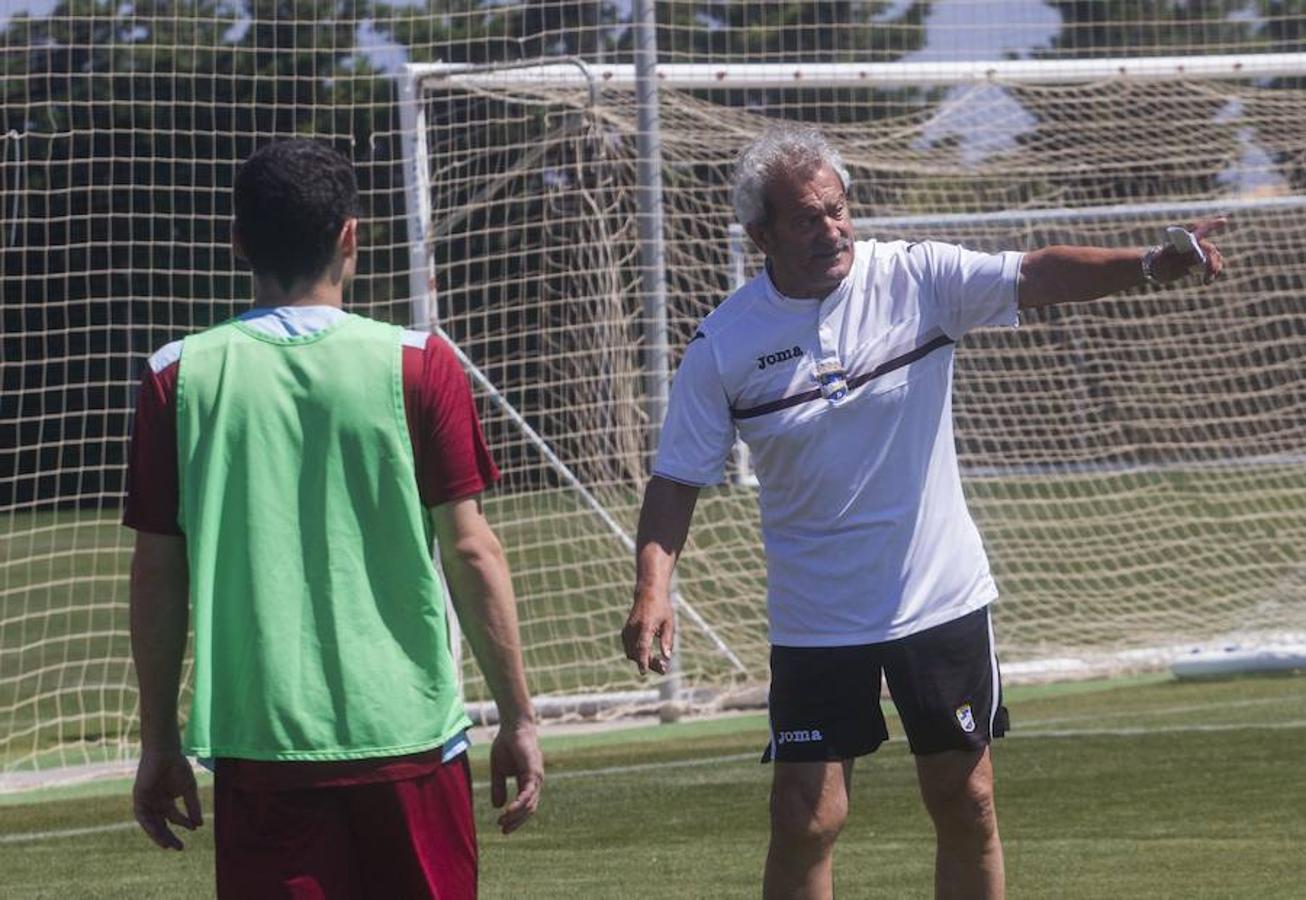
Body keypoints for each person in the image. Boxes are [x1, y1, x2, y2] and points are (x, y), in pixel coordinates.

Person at [622, 124, 1224, 899]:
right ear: (759, 234)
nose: (831, 229)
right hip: (817, 618)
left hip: (939, 599)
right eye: (806, 218)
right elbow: (676, 479)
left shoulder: (918, 277)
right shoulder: (723, 346)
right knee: (806, 816)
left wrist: (1147, 263)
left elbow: (1034, 274)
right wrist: (652, 587)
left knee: (966, 801)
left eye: (838, 209)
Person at [125, 139, 543, 898]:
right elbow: (472, 552)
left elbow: (157, 571)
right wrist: (518, 716)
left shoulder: (176, 377)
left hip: (261, 744)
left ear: (239, 242)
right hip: (410, 737)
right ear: (350, 236)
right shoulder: (420, 362)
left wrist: (160, 739)